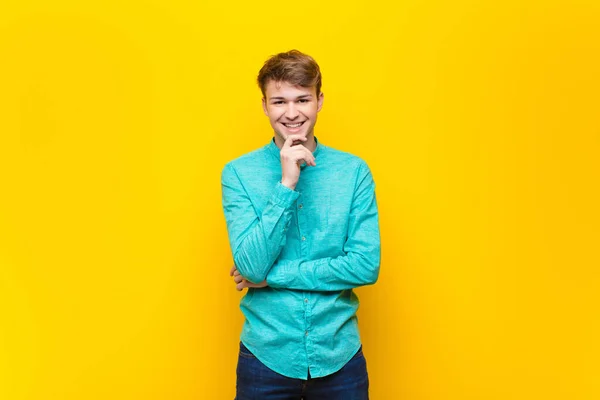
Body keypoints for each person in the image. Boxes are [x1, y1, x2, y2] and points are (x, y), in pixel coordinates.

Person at [221, 49, 381, 400]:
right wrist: (286, 185)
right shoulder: (238, 173)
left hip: (340, 357)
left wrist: (271, 277)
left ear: (319, 101)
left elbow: (365, 265)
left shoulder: (353, 172)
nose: (291, 113)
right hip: (265, 358)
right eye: (279, 101)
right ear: (264, 105)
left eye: (302, 99)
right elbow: (250, 266)